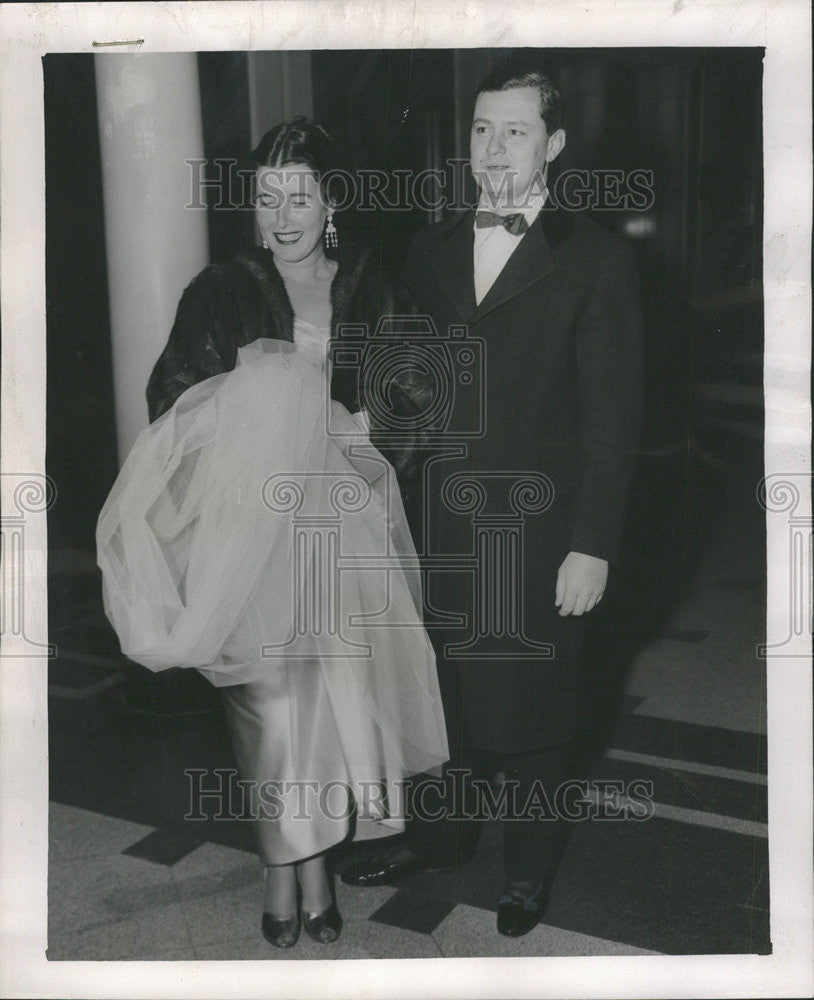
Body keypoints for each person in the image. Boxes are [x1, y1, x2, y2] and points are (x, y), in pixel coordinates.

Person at [96, 118, 448, 949]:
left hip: (340, 530)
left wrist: (369, 434)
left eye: (299, 194)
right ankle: (286, 867)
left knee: (326, 705)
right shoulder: (219, 291)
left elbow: (417, 396)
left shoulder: (372, 287)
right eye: (265, 197)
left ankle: (306, 867)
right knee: (268, 707)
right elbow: (171, 403)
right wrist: (265, 417)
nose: (282, 213)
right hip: (249, 534)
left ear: (333, 202)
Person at [341, 64, 643, 938]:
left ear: (552, 145)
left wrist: (593, 543)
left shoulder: (597, 258)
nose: (493, 148)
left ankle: (528, 873)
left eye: (514, 131)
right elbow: (416, 382)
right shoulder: (431, 247)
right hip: (438, 521)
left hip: (542, 531)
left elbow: (614, 421)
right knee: (446, 695)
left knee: (539, 713)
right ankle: (438, 839)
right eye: (481, 130)